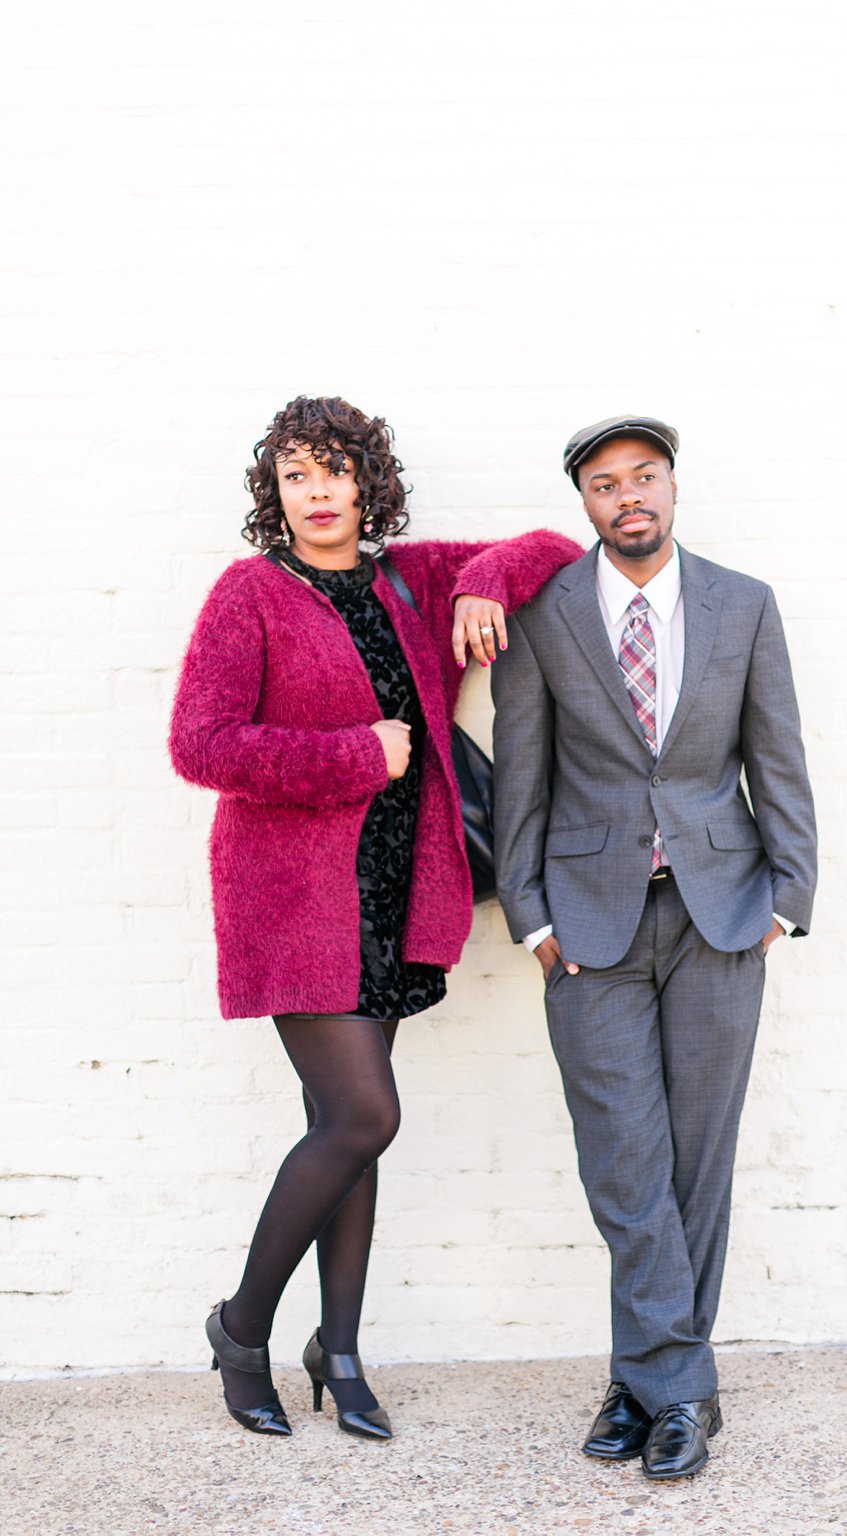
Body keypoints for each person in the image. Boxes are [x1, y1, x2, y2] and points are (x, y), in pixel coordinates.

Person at [169, 396, 581, 1439]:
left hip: (399, 892)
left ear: (367, 484)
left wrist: (483, 584)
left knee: (345, 1131)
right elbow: (202, 744)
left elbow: (550, 547)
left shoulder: (410, 578)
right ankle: (242, 1328)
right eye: (296, 476)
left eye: (334, 473)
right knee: (365, 1117)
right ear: (275, 490)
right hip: (294, 903)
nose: (316, 494)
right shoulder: (248, 594)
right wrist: (358, 754)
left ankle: (339, 1351)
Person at [490, 413, 817, 1480]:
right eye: (602, 483)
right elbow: (520, 777)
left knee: (696, 1164)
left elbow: (779, 760)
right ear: (582, 502)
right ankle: (681, 1389)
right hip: (587, 926)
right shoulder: (545, 616)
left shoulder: (743, 606)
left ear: (671, 487)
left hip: (722, 913)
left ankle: (646, 1387)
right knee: (624, 1164)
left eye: (643, 476)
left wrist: (787, 898)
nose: (626, 495)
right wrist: (529, 917)